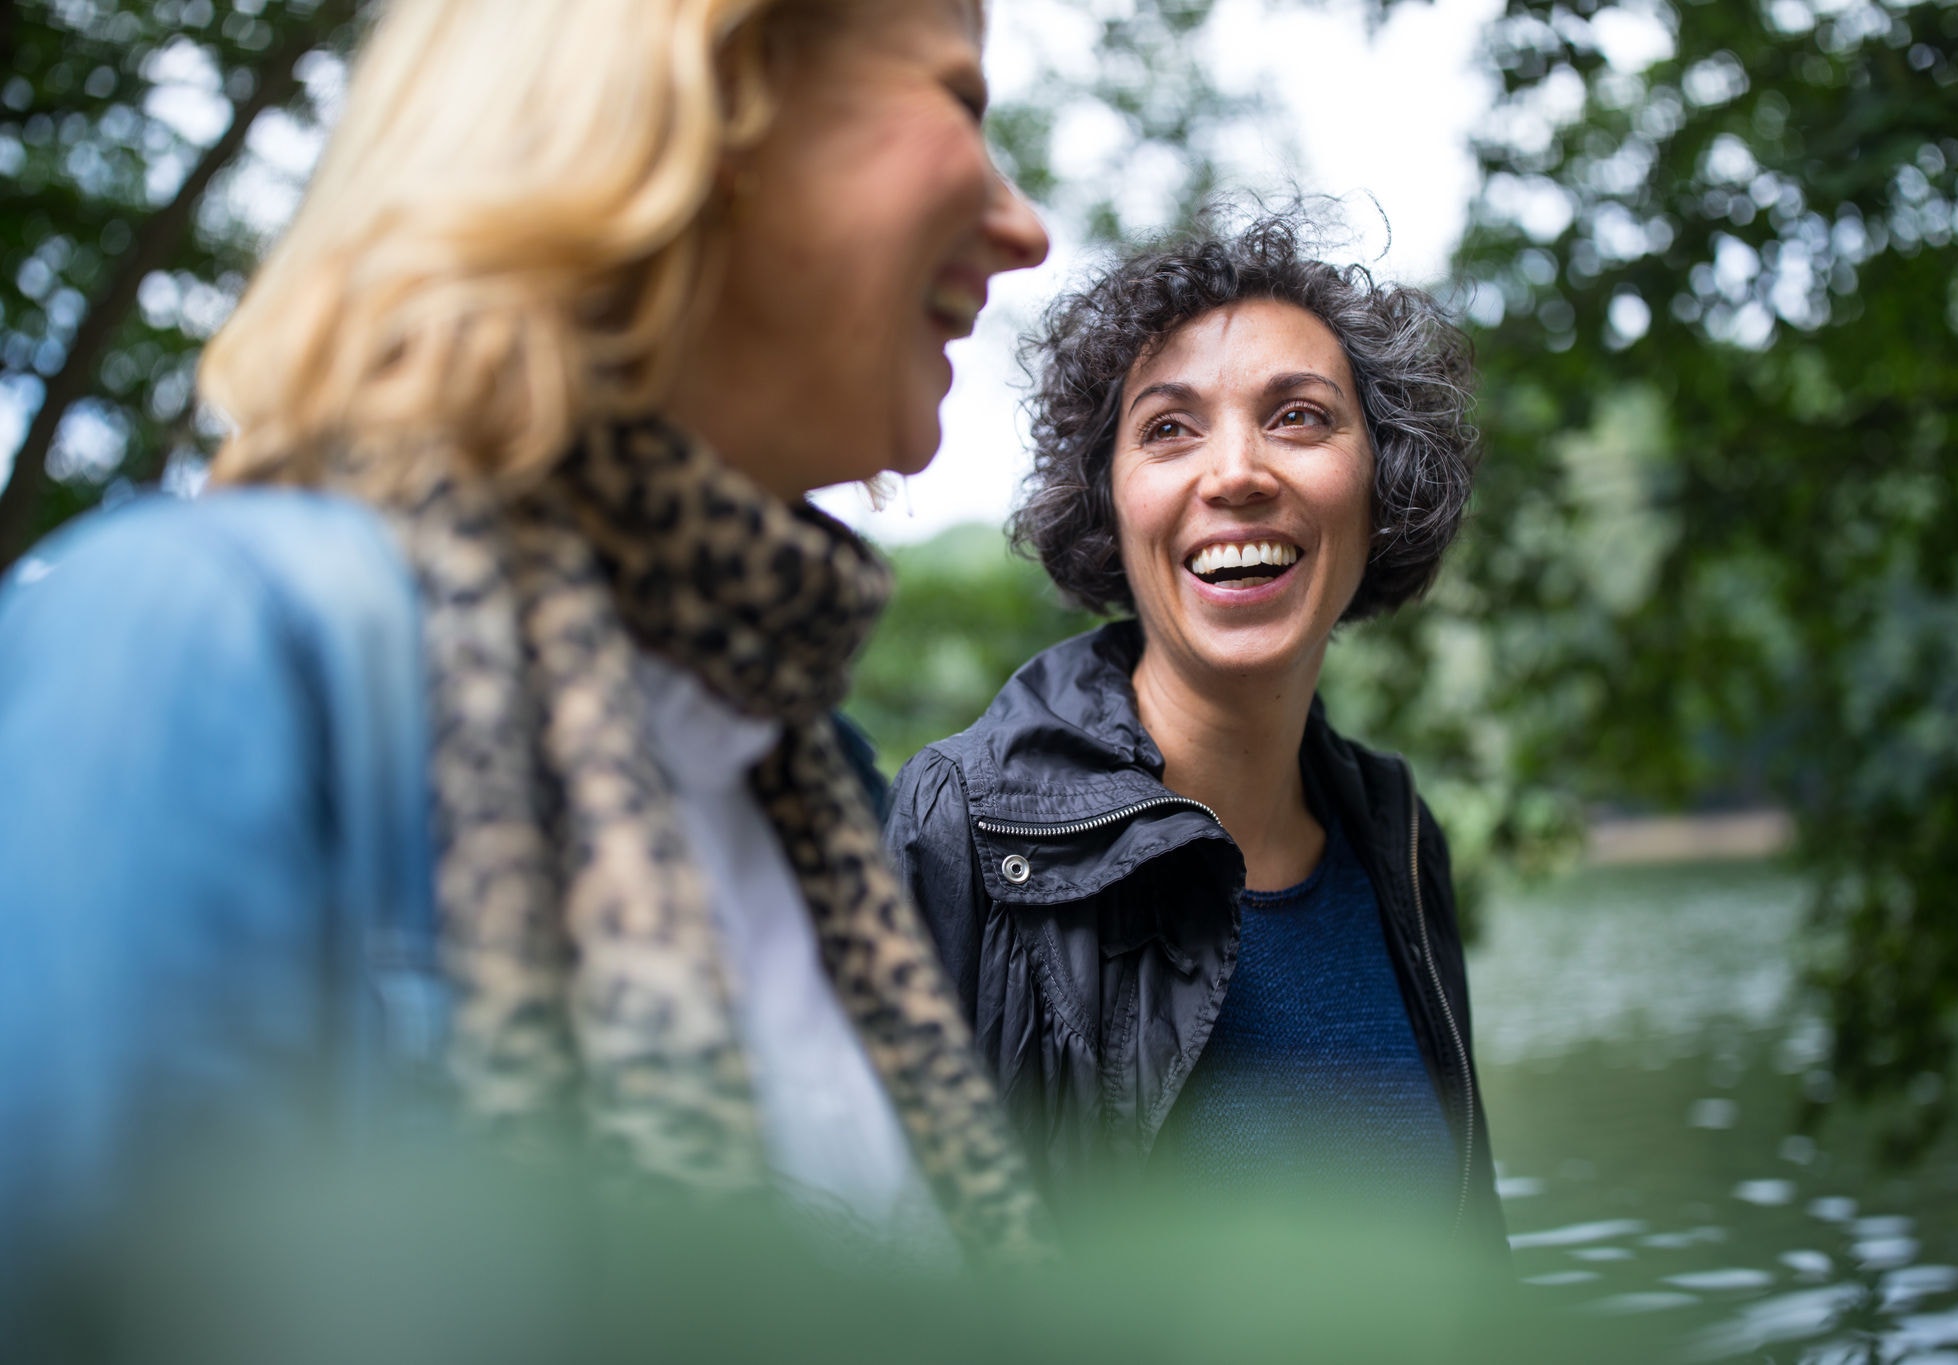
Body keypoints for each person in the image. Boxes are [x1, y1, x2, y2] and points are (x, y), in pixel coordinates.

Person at [0, 0, 1053, 1276]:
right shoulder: (204, 647)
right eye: (958, 101)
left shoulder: (801, 779)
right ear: (706, 94)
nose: (1023, 226)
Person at [884, 214, 1507, 1249]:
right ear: (1109, 505)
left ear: (1380, 489)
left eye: (1299, 418)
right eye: (1168, 428)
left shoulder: (1397, 836)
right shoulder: (968, 830)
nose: (1234, 474)